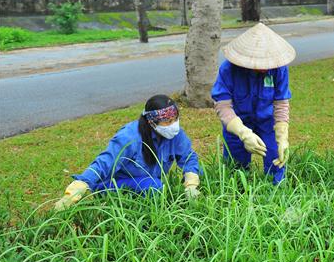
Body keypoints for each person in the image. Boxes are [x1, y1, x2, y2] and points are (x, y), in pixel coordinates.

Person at [55, 95, 201, 210]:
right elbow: (105, 162)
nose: (174, 125)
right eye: (167, 122)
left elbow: (188, 157)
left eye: (175, 119)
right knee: (153, 186)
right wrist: (80, 185)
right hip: (112, 185)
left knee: (153, 186)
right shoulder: (129, 137)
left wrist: (191, 184)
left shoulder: (175, 134)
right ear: (152, 122)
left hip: (145, 184)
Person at [212, 23, 295, 185]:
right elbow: (223, 106)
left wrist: (282, 135)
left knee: (276, 160)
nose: (265, 68)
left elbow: (281, 102)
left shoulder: (279, 69)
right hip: (237, 123)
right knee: (236, 169)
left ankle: (276, 192)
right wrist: (244, 133)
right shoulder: (228, 70)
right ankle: (239, 197)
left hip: (267, 122)